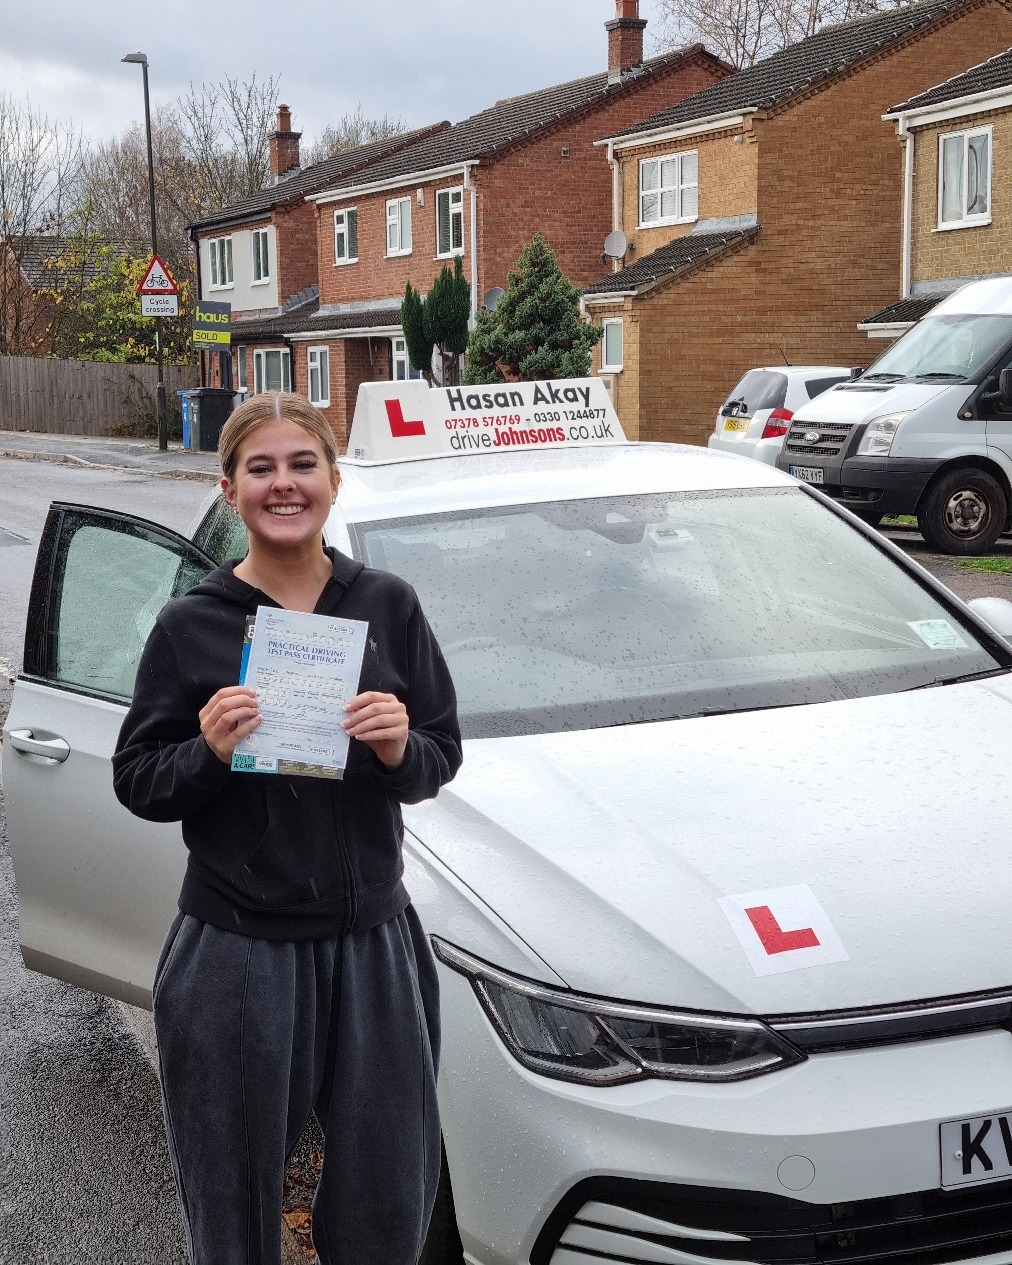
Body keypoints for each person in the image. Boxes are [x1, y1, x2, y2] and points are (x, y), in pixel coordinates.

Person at [112, 391, 462, 1265]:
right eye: (260, 467)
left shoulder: (387, 603)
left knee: (389, 1193)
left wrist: (397, 748)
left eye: (302, 464)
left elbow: (442, 752)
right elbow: (137, 779)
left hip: (373, 943)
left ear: (334, 480)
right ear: (229, 489)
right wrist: (206, 750)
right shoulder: (191, 624)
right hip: (237, 948)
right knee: (231, 1202)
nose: (284, 483)